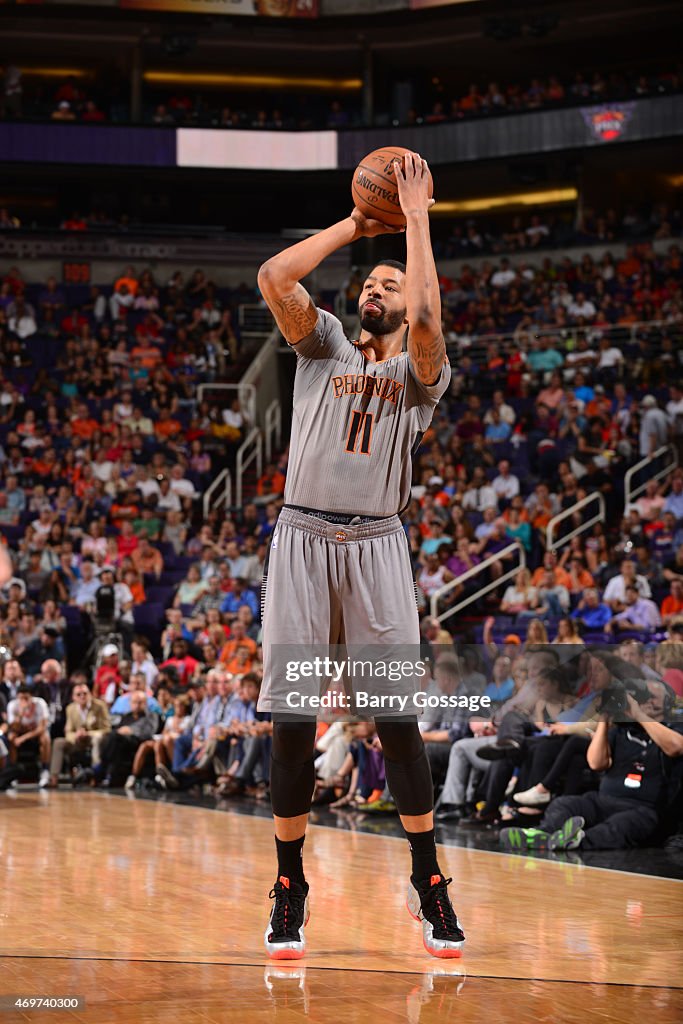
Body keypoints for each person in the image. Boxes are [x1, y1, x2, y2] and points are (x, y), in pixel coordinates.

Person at [255, 151, 464, 959]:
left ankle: (428, 880)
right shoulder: (325, 347)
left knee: (397, 725)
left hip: (376, 546)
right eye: (368, 283)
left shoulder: (420, 374)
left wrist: (414, 224)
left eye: (389, 283)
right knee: (293, 728)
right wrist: (355, 222)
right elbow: (276, 275)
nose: (375, 291)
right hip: (303, 538)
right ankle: (288, 883)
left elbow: (426, 320)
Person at [500, 680, 683, 851]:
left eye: (652, 697)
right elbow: (596, 763)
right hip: (605, 801)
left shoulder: (674, 727)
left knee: (622, 825)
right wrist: (604, 718)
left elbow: (675, 747)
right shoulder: (622, 730)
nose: (645, 701)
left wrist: (638, 714)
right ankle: (544, 834)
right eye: (642, 697)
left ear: (666, 703)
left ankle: (578, 840)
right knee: (564, 804)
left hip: (645, 809)